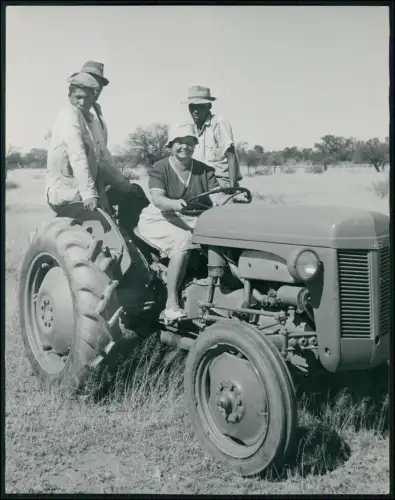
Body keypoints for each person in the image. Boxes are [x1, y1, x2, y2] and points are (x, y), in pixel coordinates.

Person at [137, 124, 228, 323]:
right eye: (180, 142)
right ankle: (171, 303)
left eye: (189, 142)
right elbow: (158, 199)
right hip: (161, 216)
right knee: (185, 240)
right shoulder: (160, 168)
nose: (185, 147)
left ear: (195, 145)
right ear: (171, 145)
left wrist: (229, 202)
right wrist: (174, 203)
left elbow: (219, 197)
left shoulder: (205, 170)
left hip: (193, 217)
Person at [45, 71, 144, 231]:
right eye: (78, 97)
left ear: (94, 96)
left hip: (85, 190)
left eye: (87, 97)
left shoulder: (91, 120)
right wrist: (89, 194)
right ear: (69, 95)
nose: (82, 102)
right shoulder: (68, 116)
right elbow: (77, 154)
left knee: (134, 194)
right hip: (67, 192)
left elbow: (104, 160)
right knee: (99, 231)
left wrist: (124, 185)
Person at [184, 85, 242, 189]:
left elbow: (231, 154)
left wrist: (232, 187)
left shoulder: (218, 122)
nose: (196, 111)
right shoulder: (189, 127)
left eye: (201, 106)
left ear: (209, 106)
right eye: (192, 106)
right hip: (198, 182)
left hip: (219, 180)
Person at [70, 60, 109, 146]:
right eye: (93, 81)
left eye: (100, 84)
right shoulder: (74, 108)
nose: (98, 87)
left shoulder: (98, 111)